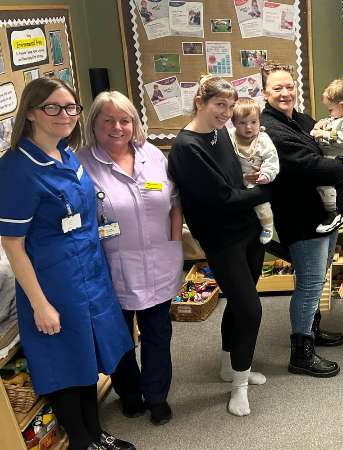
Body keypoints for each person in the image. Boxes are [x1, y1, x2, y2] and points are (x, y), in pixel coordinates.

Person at [0, 78, 135, 450]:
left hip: (89, 276)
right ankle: (81, 441)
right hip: (53, 285)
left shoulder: (67, 155)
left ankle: (97, 435)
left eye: (72, 107)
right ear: (31, 113)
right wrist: (40, 304)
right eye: (53, 107)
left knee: (86, 358)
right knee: (64, 365)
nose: (66, 115)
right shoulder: (16, 168)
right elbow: (12, 245)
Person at [78, 90, 186, 427]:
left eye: (124, 120)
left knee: (158, 332)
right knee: (118, 336)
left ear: (134, 123)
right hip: (111, 266)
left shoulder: (151, 154)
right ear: (93, 124)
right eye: (108, 120)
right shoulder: (80, 163)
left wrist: (173, 242)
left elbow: (175, 201)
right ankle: (129, 392)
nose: (117, 127)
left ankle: (156, 396)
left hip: (160, 261)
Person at [168, 75, 270, 417]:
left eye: (230, 106)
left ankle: (230, 365)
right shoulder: (187, 147)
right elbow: (223, 198)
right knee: (251, 310)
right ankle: (239, 387)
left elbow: (233, 179)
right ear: (200, 102)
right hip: (221, 238)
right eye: (219, 105)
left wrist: (253, 182)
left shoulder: (219, 132)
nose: (226, 113)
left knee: (240, 303)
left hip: (247, 229)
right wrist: (267, 192)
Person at [258, 62, 343, 377]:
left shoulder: (301, 119)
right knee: (310, 282)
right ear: (265, 93)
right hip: (300, 217)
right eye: (277, 88)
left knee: (319, 276)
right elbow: (311, 165)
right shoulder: (269, 129)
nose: (285, 93)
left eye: (289, 86)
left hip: (325, 214)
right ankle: (301, 353)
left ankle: (311, 329)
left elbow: (335, 143)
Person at [310, 78, 343, 233]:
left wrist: (323, 134)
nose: (330, 113)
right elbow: (330, 122)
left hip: (337, 159)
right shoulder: (338, 118)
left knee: (325, 183)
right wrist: (321, 123)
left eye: (330, 110)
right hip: (327, 156)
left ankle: (333, 213)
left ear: (342, 106)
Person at [229, 97, 279, 244]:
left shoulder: (263, 139)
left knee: (261, 206)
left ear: (259, 121)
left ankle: (267, 226)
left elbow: (272, 159)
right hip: (238, 181)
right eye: (242, 123)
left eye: (253, 122)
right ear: (234, 123)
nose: (249, 127)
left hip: (256, 180)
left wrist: (266, 175)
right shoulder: (230, 137)